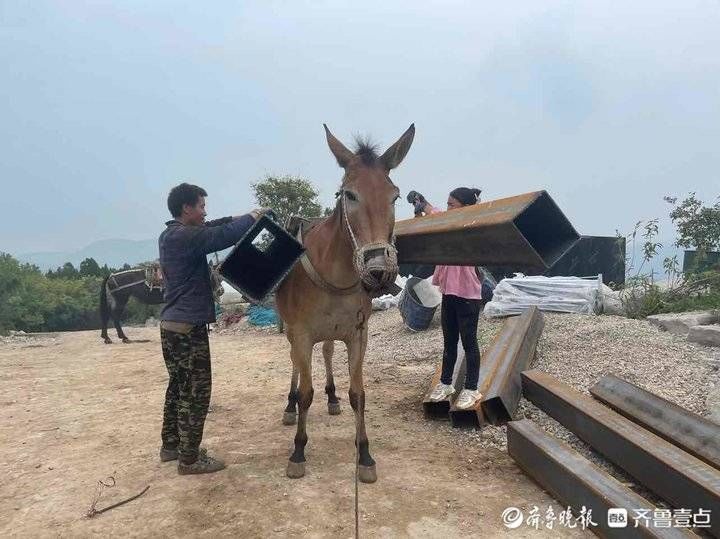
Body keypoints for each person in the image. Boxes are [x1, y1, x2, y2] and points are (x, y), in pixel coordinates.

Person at [158, 182, 268, 475]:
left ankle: (171, 446)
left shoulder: (171, 234)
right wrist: (254, 218)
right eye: (202, 206)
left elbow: (214, 226)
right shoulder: (184, 237)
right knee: (196, 392)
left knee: (178, 386)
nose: (206, 212)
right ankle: (190, 459)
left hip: (172, 326)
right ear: (187, 208)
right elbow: (220, 235)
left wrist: (240, 216)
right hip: (186, 328)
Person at [427, 187, 484, 410]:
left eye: (452, 204)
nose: (448, 208)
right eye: (447, 204)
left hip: (468, 295)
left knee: (469, 343)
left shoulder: (473, 227)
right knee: (449, 342)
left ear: (465, 207)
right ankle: (446, 384)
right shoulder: (448, 224)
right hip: (449, 293)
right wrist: (422, 204)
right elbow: (436, 213)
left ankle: (472, 388)